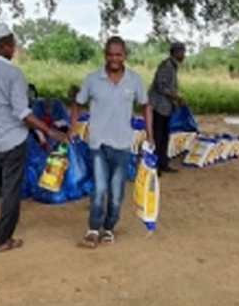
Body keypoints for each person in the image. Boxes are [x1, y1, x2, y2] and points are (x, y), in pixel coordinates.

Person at [0, 22, 66, 252]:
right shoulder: (14, 74)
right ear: (7, 46)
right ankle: (2, 240)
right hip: (13, 142)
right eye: (14, 45)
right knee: (10, 190)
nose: (15, 49)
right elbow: (23, 113)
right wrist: (49, 131)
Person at [71, 36, 154, 248]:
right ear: (105, 55)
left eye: (118, 54)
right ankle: (92, 229)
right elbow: (77, 103)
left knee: (116, 195)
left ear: (125, 55)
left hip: (123, 145)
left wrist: (149, 134)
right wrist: (73, 128)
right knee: (99, 190)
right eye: (110, 54)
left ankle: (108, 228)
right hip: (98, 144)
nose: (114, 58)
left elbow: (146, 106)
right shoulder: (92, 80)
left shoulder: (134, 80)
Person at [148, 42, 186, 174]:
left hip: (166, 107)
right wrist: (176, 96)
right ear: (174, 53)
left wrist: (175, 99)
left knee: (164, 137)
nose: (183, 55)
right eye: (181, 52)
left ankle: (163, 164)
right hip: (159, 106)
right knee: (158, 137)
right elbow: (161, 86)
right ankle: (155, 166)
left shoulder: (173, 66)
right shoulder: (167, 66)